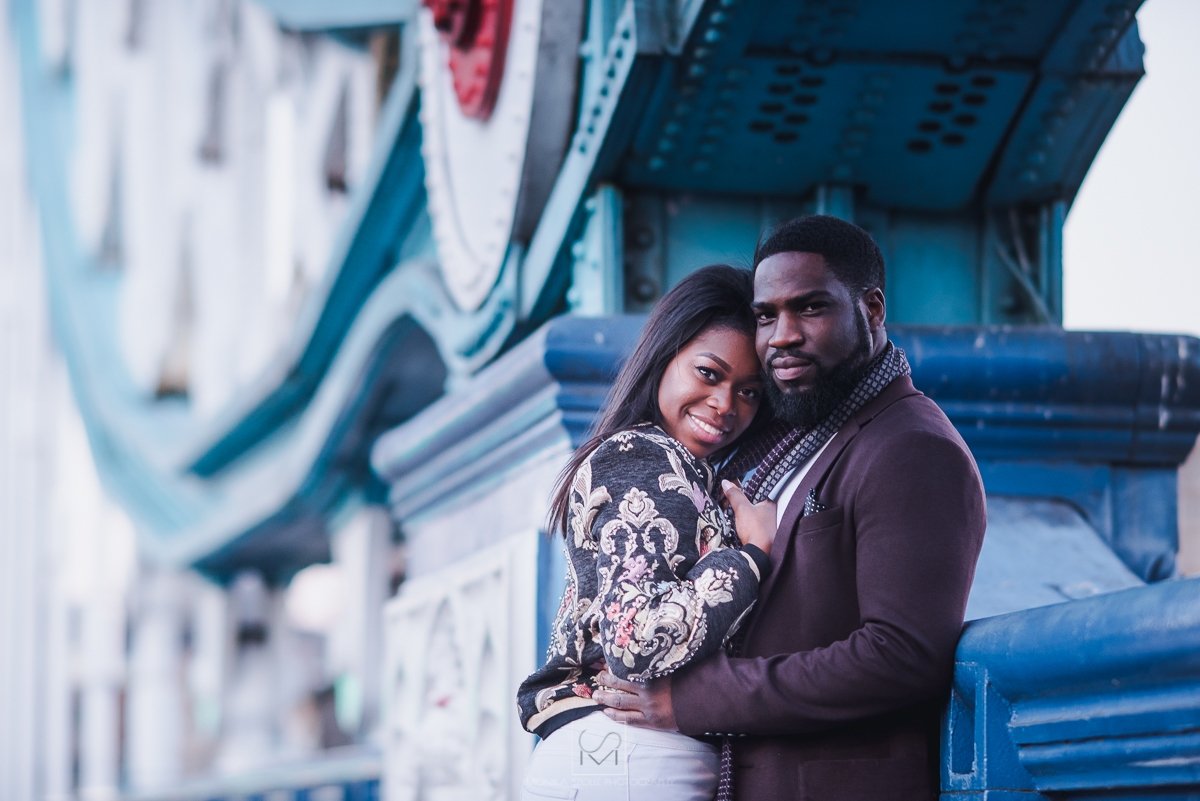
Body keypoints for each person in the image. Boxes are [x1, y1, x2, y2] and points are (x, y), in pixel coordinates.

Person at [593, 215, 987, 801]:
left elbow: (902, 655)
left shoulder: (912, 448)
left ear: (872, 310)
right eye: (765, 315)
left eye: (810, 308)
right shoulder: (791, 435)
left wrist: (693, 700)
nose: (781, 335)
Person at [516, 264, 777, 801]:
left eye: (749, 391)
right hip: (625, 757)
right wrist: (750, 555)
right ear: (665, 355)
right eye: (709, 373)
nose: (726, 405)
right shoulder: (642, 456)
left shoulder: (679, 469)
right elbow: (636, 640)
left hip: (617, 758)